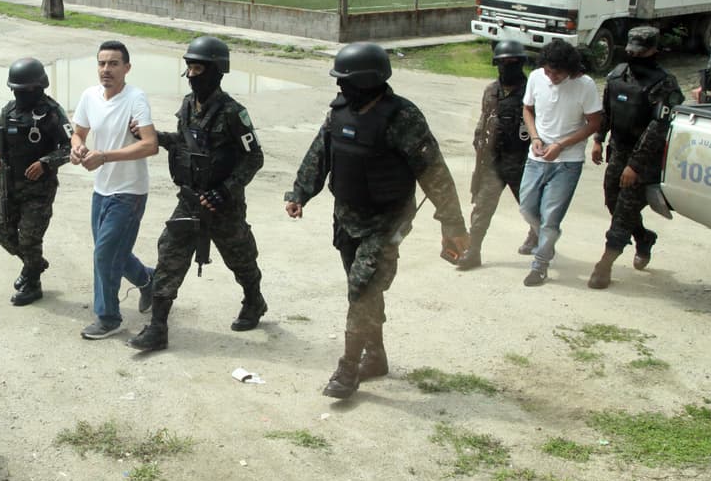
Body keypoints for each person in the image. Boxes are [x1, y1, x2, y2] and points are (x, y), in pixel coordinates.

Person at [284, 42, 468, 400]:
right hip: (347, 218)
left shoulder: (402, 118)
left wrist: (452, 224)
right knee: (364, 289)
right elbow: (320, 152)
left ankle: (349, 368)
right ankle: (377, 356)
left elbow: (435, 173)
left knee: (363, 289)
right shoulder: (340, 111)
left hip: (387, 221)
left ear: (367, 81)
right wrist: (299, 193)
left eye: (346, 81)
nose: (340, 88)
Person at [127, 36, 267, 352]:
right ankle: (158, 328)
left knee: (240, 257)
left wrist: (226, 191)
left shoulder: (233, 113)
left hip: (224, 205)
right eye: (189, 68)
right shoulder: (188, 106)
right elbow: (183, 140)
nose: (192, 75)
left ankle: (254, 300)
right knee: (170, 254)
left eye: (198, 68)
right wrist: (154, 137)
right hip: (190, 200)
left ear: (216, 71)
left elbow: (253, 157)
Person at [69, 40, 159, 340]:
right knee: (111, 252)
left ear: (127, 68)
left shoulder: (136, 98)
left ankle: (108, 318)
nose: (106, 69)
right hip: (102, 190)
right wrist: (79, 148)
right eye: (101, 63)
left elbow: (150, 144)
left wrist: (104, 156)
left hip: (130, 192)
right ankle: (148, 281)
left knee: (105, 255)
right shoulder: (89, 96)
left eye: (113, 64)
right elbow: (78, 133)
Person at [588, 27, 685, 288]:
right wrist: (598, 138)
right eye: (631, 52)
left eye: (640, 52)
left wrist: (635, 165)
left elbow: (658, 129)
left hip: (643, 161)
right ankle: (643, 237)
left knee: (623, 212)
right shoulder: (618, 75)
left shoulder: (665, 84)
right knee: (612, 200)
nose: (634, 56)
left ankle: (604, 265)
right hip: (618, 152)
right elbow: (608, 110)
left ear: (654, 51)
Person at [0, 58, 72, 306]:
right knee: (0, 229)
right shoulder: (10, 110)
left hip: (38, 191)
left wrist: (46, 162)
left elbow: (70, 146)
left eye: (24, 90)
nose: (19, 94)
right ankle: (34, 264)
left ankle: (32, 282)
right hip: (10, 186)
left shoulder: (52, 113)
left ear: (38, 88)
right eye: (16, 90)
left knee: (29, 239)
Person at [518, 39, 603, 287]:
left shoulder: (584, 85)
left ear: (570, 69)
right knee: (526, 207)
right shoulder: (535, 77)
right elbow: (527, 109)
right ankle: (545, 236)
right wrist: (535, 137)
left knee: (551, 216)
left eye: (557, 72)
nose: (551, 76)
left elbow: (594, 123)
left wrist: (561, 145)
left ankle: (540, 264)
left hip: (568, 162)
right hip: (536, 157)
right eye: (547, 70)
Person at [458, 39, 537, 270]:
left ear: (521, 62)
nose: (507, 66)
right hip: (494, 161)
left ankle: (538, 238)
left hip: (521, 160)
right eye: (503, 63)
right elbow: (484, 118)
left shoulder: (531, 91)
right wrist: (478, 141)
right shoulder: (491, 90)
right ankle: (473, 251)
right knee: (482, 208)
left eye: (513, 62)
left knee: (530, 207)